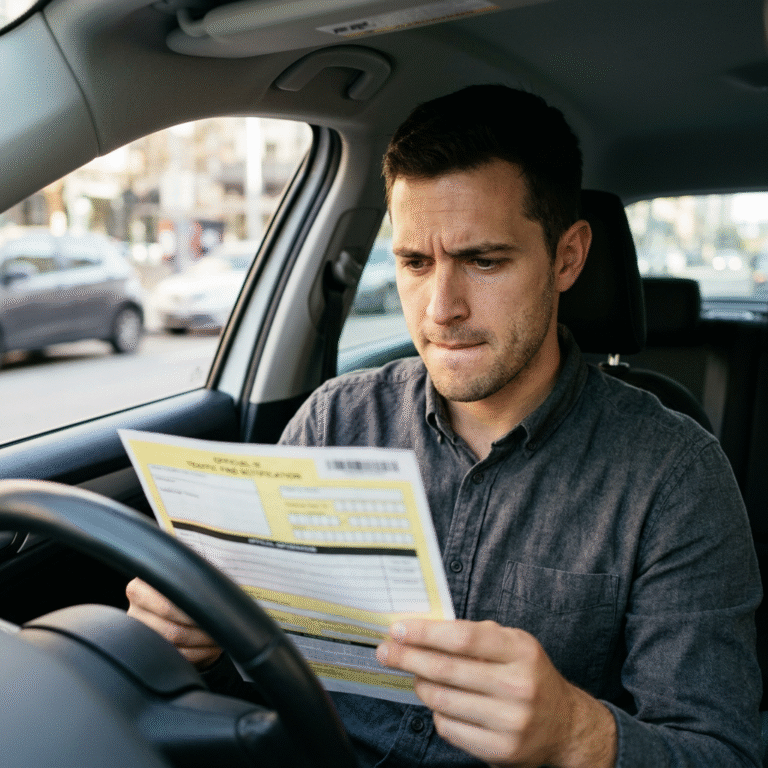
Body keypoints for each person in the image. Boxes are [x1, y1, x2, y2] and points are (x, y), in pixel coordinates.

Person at [126, 85, 763, 767]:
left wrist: (579, 737)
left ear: (568, 258)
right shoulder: (333, 422)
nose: (441, 309)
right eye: (414, 263)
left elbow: (721, 751)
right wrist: (204, 644)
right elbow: (269, 688)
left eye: (484, 261)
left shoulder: (675, 476)